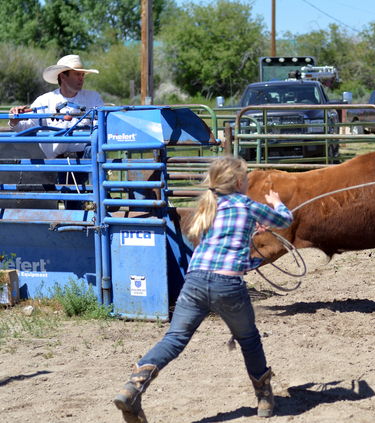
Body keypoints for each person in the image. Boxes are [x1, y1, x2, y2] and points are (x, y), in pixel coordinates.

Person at [113, 156, 293, 422]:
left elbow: (222, 237)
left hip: (195, 281)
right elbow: (284, 220)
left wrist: (250, 229)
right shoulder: (247, 205)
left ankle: (134, 385)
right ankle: (264, 398)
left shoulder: (209, 206)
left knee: (175, 339)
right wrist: (277, 202)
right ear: (240, 182)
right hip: (227, 283)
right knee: (249, 339)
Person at [8, 54, 104, 159]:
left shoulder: (93, 98)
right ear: (63, 76)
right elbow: (27, 127)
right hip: (58, 161)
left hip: (86, 158)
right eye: (77, 74)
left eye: (82, 75)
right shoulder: (44, 101)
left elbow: (101, 126)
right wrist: (15, 120)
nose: (81, 78)